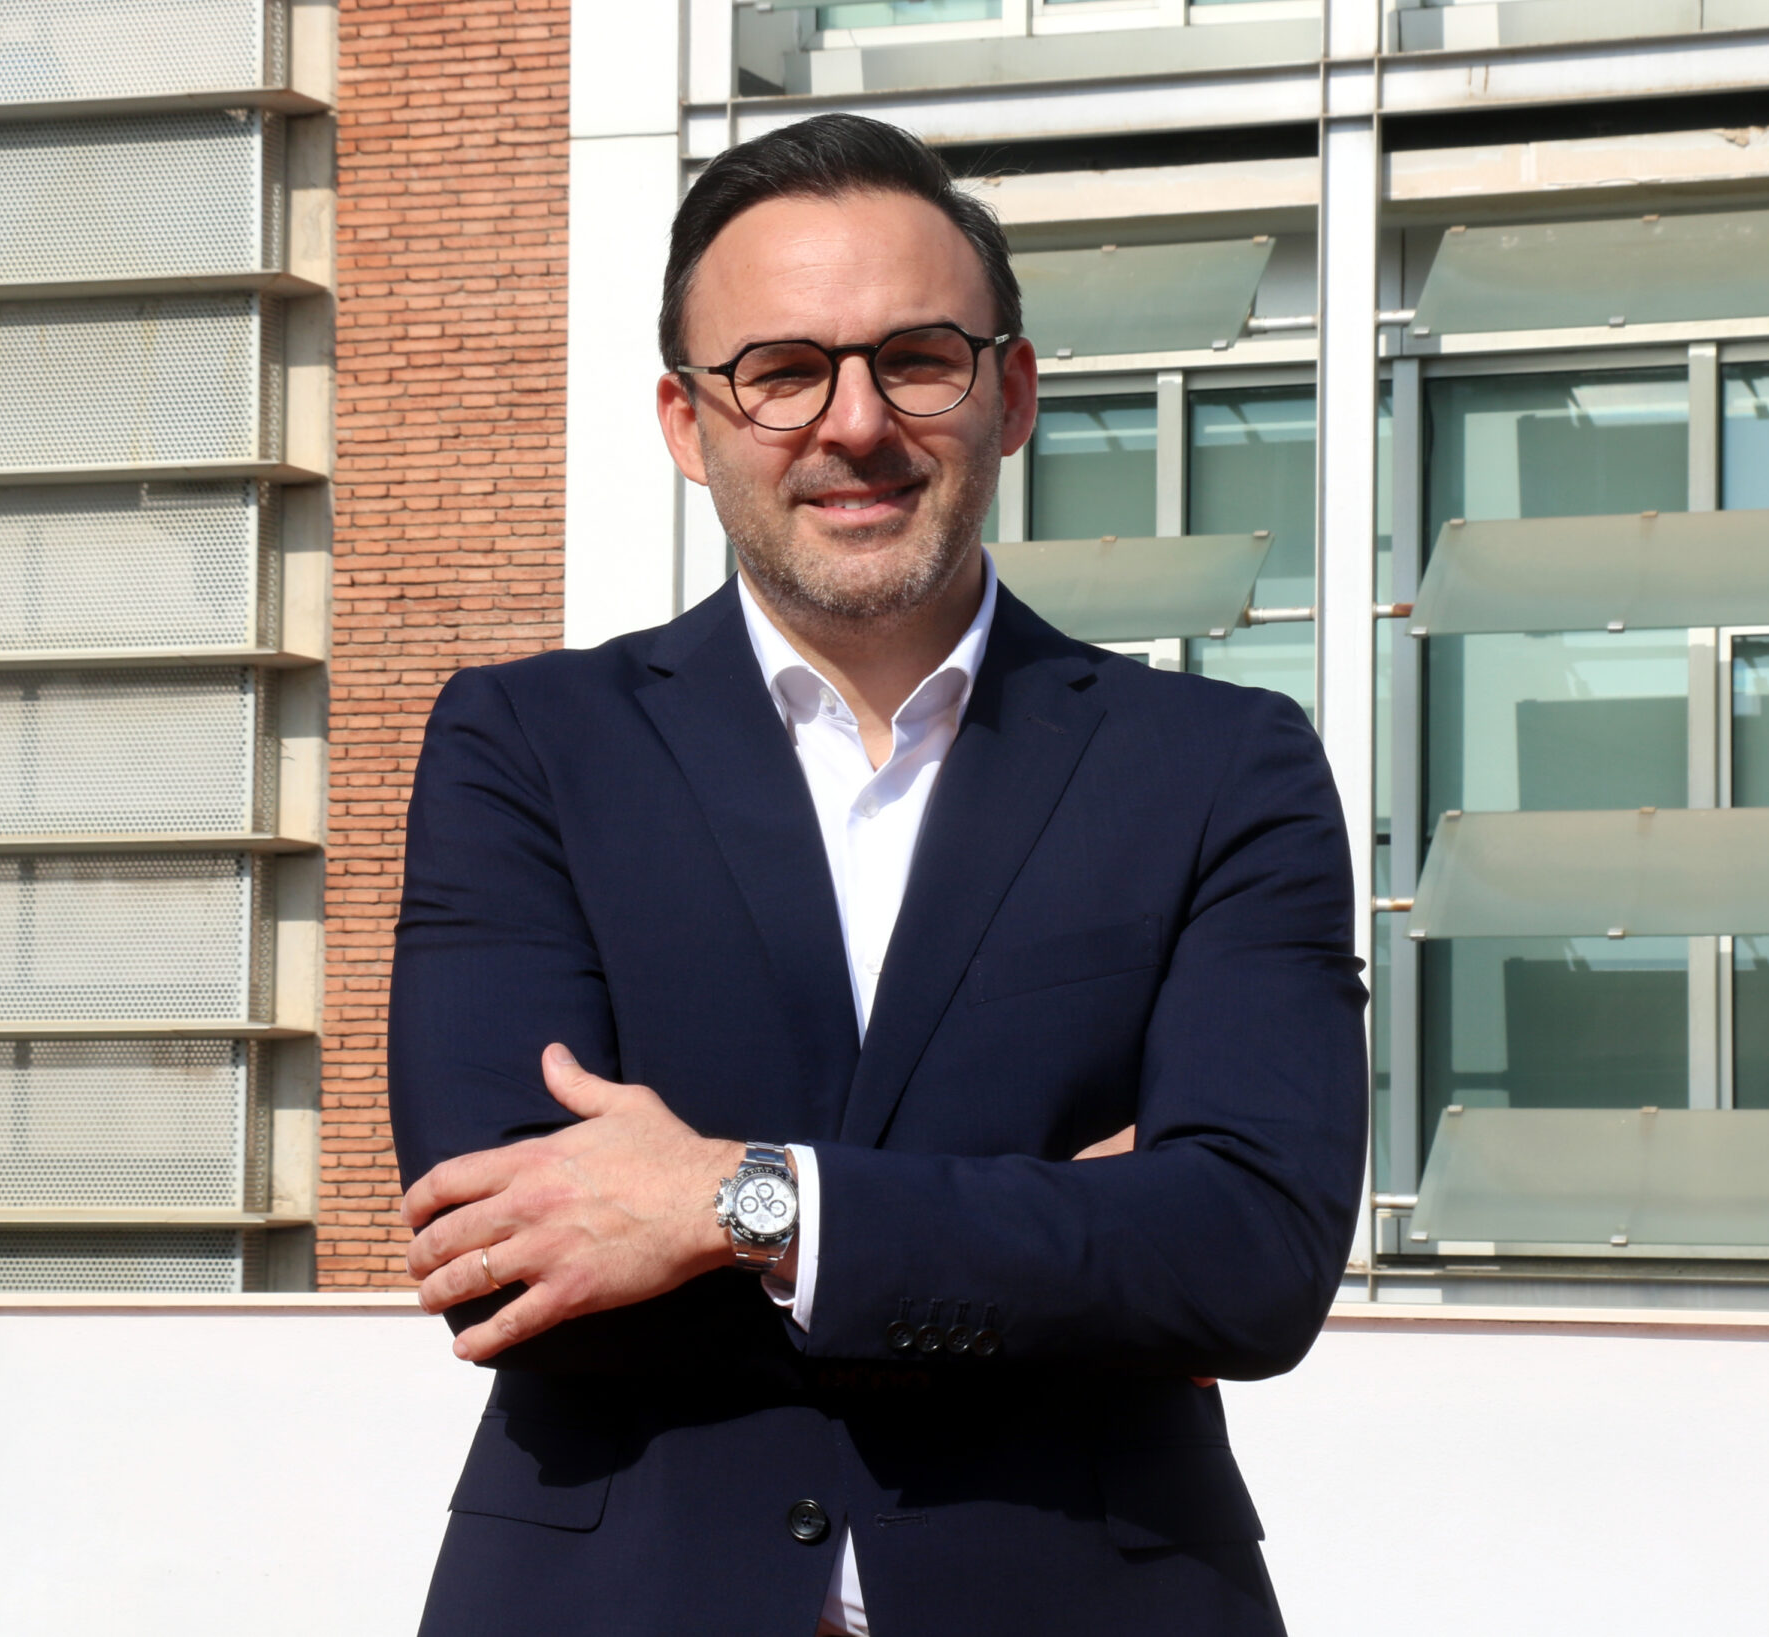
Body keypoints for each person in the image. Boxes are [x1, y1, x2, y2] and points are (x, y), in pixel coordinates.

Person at [390, 112, 1365, 1637]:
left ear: (1011, 393)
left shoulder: (1221, 767)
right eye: (781, 371)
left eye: (917, 359)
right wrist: (1070, 1225)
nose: (854, 424)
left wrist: (739, 1204)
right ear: (686, 422)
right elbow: (503, 1258)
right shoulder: (525, 748)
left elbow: (1247, 1258)